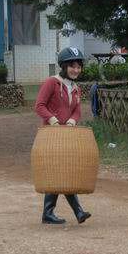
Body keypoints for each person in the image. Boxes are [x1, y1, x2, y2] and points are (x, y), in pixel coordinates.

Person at [34, 46, 92, 225]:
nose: (76, 70)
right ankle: (75, 211)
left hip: (68, 136)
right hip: (51, 136)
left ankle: (51, 213)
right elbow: (39, 105)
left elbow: (76, 111)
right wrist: (53, 120)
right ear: (64, 66)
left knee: (63, 171)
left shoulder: (76, 88)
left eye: (78, 66)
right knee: (58, 171)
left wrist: (72, 121)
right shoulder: (51, 82)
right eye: (72, 66)